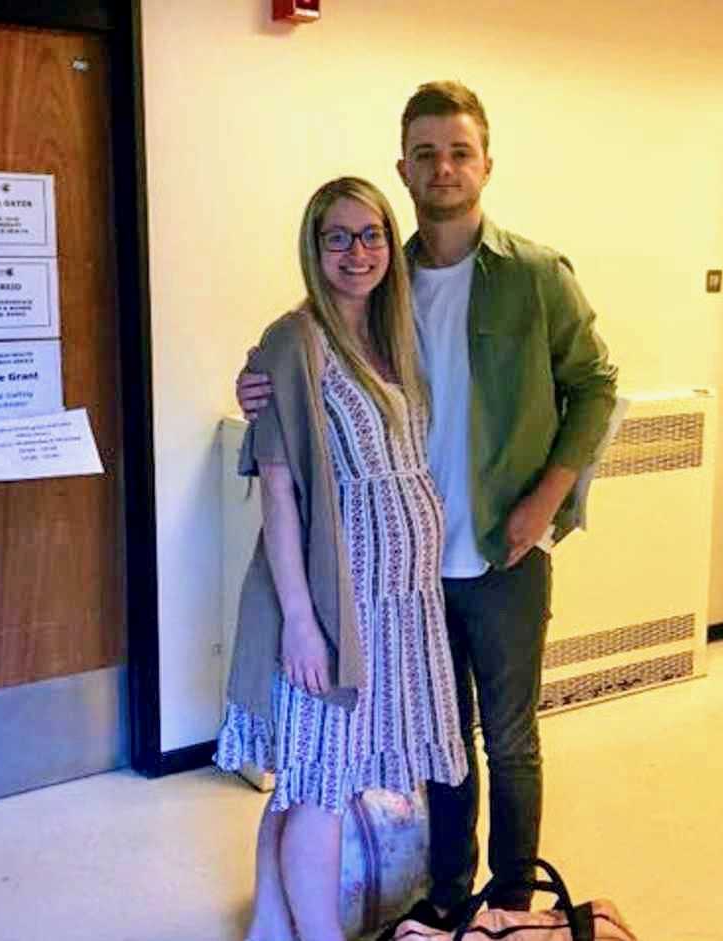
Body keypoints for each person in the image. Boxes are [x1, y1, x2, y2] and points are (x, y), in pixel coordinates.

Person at [235, 82, 619, 933]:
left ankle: (510, 907)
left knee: (509, 739)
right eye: (425, 152)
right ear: (402, 167)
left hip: (502, 549)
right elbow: (305, 383)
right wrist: (259, 384)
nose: (442, 167)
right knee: (445, 737)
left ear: (486, 162)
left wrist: (545, 501)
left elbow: (596, 386)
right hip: (394, 580)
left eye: (459, 150)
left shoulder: (534, 276)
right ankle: (450, 894)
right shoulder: (383, 280)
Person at [216, 175, 468, 941]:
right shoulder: (296, 341)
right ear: (313, 247)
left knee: (315, 774)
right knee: (323, 779)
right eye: (338, 237)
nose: (358, 253)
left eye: (372, 235)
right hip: (338, 597)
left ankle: (269, 922)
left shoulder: (391, 336)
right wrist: (301, 620)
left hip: (401, 599)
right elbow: (282, 492)